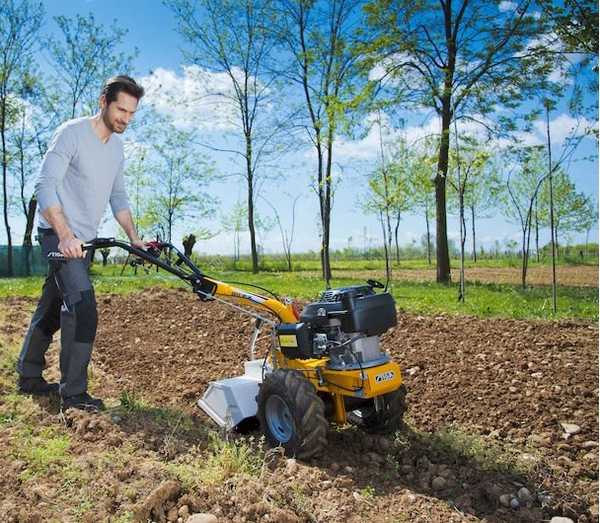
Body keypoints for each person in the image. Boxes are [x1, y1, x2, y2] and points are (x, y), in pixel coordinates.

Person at [16, 75, 146, 412]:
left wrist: (135, 238)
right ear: (103, 101)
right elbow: (44, 186)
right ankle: (73, 395)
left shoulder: (116, 148)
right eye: (121, 110)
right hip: (57, 236)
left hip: (83, 243)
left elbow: (118, 197)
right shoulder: (71, 133)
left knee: (51, 307)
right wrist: (65, 233)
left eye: (131, 113)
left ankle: (28, 375)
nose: (125, 119)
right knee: (82, 306)